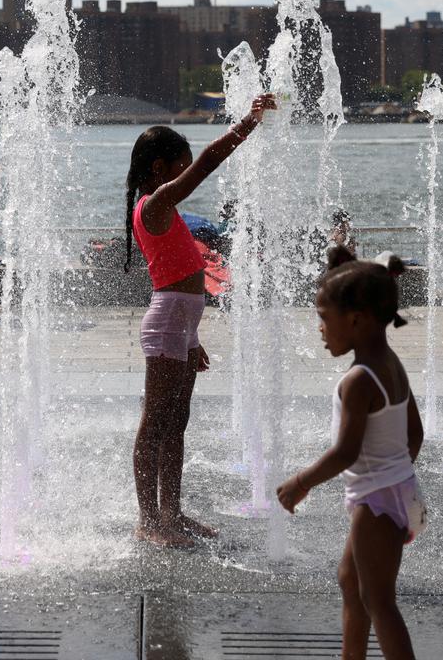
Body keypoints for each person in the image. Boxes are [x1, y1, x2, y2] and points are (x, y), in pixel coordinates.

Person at [124, 95, 273, 547]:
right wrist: (246, 125)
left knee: (177, 422)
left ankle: (173, 512)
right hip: (167, 323)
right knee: (155, 423)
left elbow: (183, 278)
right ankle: (149, 521)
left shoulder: (164, 209)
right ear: (159, 169)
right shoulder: (155, 204)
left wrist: (193, 337)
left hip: (181, 327)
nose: (185, 177)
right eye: (178, 168)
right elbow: (208, 163)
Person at [277, 248, 424, 660]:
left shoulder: (359, 379)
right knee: (350, 581)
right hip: (392, 493)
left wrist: (300, 483)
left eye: (324, 319)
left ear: (355, 319)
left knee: (380, 602)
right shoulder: (391, 363)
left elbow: (345, 452)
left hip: (377, 501)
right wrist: (396, 475)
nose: (320, 330)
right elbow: (416, 433)